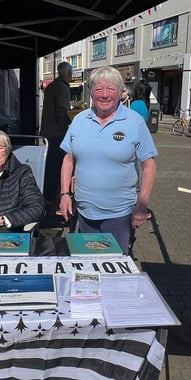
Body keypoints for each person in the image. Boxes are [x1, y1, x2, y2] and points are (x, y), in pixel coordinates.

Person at [59, 65, 157, 254]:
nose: (104, 94)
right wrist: (64, 194)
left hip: (119, 214)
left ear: (120, 92)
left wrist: (142, 204)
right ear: (91, 92)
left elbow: (149, 164)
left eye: (110, 89)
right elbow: (68, 159)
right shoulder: (79, 120)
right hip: (84, 211)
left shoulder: (134, 121)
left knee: (114, 267)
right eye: (98, 89)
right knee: (87, 264)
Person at [39, 61, 73, 212]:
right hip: (57, 134)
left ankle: (46, 198)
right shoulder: (62, 88)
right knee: (58, 168)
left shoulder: (51, 86)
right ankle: (53, 200)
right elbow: (60, 112)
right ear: (68, 74)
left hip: (47, 132)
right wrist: (66, 132)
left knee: (49, 168)